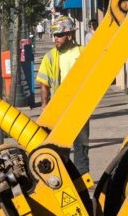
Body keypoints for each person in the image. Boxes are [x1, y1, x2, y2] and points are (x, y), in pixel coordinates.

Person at [36, 15, 90, 175]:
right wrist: (44, 106)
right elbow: (44, 84)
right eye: (54, 36)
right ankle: (65, 177)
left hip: (80, 107)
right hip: (59, 108)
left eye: (59, 35)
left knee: (82, 145)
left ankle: (82, 177)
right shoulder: (51, 56)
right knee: (60, 146)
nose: (56, 39)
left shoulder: (83, 53)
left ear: (69, 35)